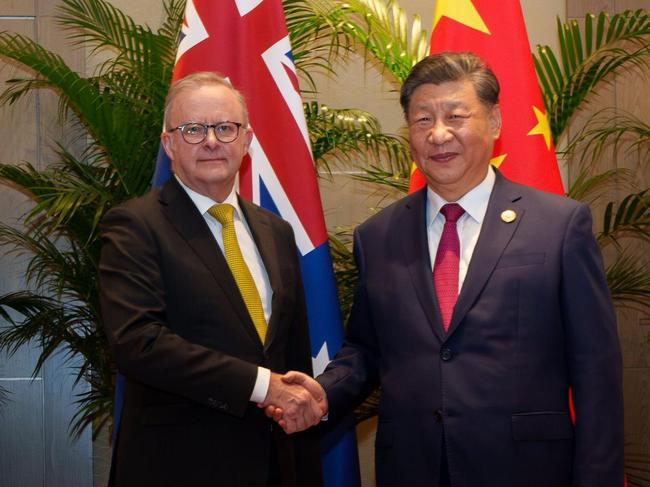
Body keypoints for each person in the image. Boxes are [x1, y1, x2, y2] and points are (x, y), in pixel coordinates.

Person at [269, 52, 624, 487]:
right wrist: (322, 393)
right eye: (422, 120)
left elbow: (596, 372)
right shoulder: (378, 235)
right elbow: (367, 349)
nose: (438, 134)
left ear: (494, 122)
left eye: (455, 116)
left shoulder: (560, 225)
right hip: (413, 469)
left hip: (527, 470)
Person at [99, 71, 325, 487]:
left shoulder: (276, 231)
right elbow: (139, 343)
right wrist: (263, 387)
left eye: (225, 127)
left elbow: (291, 355)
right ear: (168, 144)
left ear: (247, 140)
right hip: (178, 467)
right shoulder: (135, 225)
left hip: (274, 464)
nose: (211, 141)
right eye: (193, 129)